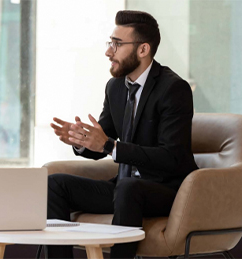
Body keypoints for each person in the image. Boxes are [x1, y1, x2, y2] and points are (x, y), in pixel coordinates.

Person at [48, 10, 198, 258]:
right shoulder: (116, 87)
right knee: (55, 184)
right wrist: (81, 141)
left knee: (129, 187)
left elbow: (172, 157)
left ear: (143, 50)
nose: (109, 52)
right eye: (110, 43)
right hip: (124, 189)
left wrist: (109, 146)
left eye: (117, 45)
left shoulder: (174, 89)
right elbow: (102, 140)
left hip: (166, 190)